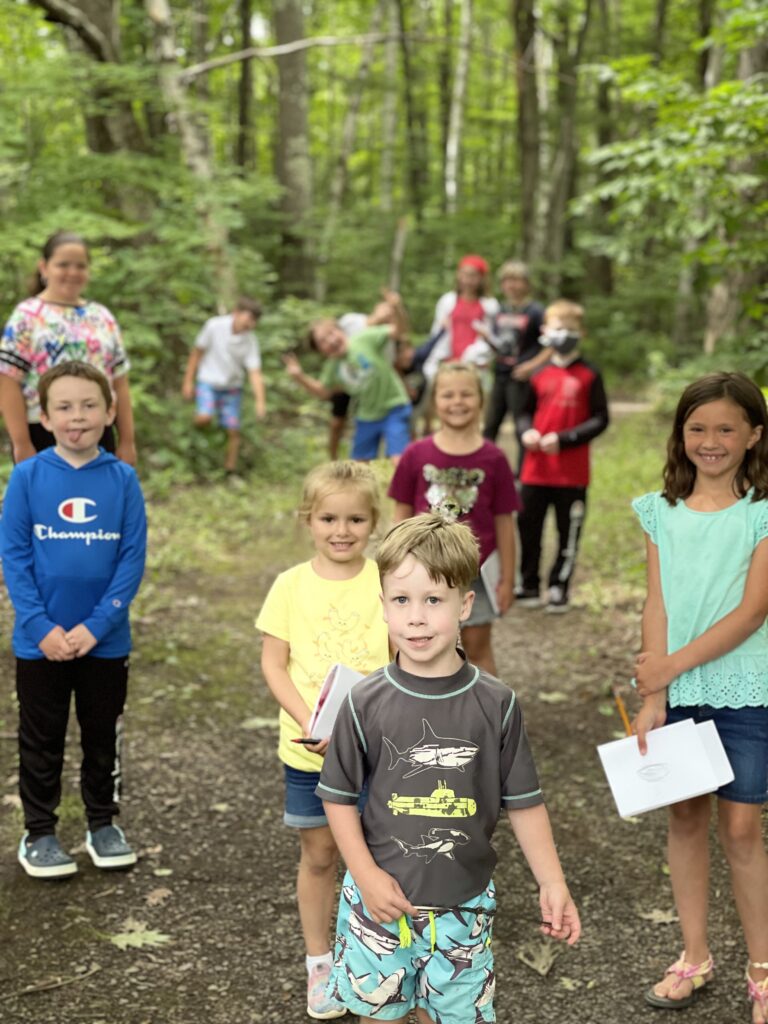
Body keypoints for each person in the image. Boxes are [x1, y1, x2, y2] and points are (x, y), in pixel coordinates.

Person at [317, 513, 581, 1024]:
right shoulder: (363, 701)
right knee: (378, 1014)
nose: (416, 617)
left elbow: (524, 803)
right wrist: (366, 875)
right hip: (380, 902)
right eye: (402, 600)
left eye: (433, 600)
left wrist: (552, 882)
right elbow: (336, 795)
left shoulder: (497, 702)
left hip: (465, 906)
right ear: (384, 606)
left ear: (465, 605)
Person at [632, 372, 768, 1022]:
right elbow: (656, 602)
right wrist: (655, 691)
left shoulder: (763, 512)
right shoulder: (661, 512)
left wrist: (665, 667)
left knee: (741, 826)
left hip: (747, 690)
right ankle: (694, 955)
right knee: (685, 817)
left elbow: (751, 613)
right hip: (677, 692)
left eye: (725, 429)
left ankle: (762, 968)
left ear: (754, 436)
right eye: (697, 428)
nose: (710, 441)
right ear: (680, 434)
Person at [0, 362, 147, 879]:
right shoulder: (28, 476)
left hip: (102, 642)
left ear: (109, 412)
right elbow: (14, 557)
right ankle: (39, 832)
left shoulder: (123, 479)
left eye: (89, 405)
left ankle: (102, 825)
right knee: (42, 739)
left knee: (101, 734)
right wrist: (41, 627)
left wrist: (96, 626)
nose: (77, 416)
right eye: (64, 406)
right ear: (45, 415)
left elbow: (131, 561)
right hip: (39, 642)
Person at [256, 461, 391, 1020]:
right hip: (308, 751)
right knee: (320, 855)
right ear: (307, 520)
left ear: (373, 522)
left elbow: (407, 654)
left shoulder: (388, 578)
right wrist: (313, 723)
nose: (342, 530)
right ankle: (321, 963)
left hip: (379, 751)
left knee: (384, 854)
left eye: (355, 518)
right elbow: (274, 664)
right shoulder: (290, 585)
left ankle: (379, 957)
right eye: (328, 518)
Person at [388, 363, 520, 675]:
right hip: (422, 570)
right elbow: (400, 515)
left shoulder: (494, 458)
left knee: (476, 648)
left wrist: (508, 580)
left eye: (466, 394)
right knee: (417, 648)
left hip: (476, 573)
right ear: (435, 402)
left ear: (481, 401)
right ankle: (416, 715)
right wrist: (393, 570)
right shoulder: (415, 455)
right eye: (448, 395)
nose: (457, 402)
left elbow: (504, 522)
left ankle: (489, 720)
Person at [0, 230, 136, 466]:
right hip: (43, 433)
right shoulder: (27, 316)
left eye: (80, 266)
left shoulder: (101, 317)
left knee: (100, 501)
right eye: (63, 264)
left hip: (98, 433)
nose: (72, 272)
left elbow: (120, 382)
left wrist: (127, 440)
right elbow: (8, 382)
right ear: (44, 267)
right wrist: (21, 443)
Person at [515, 299, 609, 613]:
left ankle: (559, 586)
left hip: (572, 474)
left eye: (570, 329)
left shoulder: (590, 374)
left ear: (581, 332)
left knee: (568, 532)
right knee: (529, 528)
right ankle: (528, 584)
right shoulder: (537, 373)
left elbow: (600, 418)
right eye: (557, 328)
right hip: (534, 471)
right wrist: (526, 432)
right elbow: (523, 413)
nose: (563, 334)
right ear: (544, 331)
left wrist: (566, 438)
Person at [283, 319, 411, 463]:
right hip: (367, 415)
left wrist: (396, 307)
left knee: (398, 460)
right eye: (323, 341)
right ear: (321, 351)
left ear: (341, 331)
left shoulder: (363, 339)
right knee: (358, 467)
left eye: (331, 333)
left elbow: (398, 331)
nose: (331, 341)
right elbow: (323, 392)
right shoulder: (332, 367)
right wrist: (299, 376)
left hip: (393, 407)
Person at [181, 297, 266, 475]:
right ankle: (191, 434)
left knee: (233, 430)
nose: (250, 324)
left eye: (254, 321)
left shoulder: (250, 340)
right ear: (236, 313)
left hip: (232, 387)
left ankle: (230, 470)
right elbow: (197, 353)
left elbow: (254, 372)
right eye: (248, 318)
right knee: (204, 417)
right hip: (208, 381)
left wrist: (260, 401)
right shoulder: (214, 326)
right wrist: (188, 381)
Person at [327, 291, 411, 460]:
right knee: (337, 422)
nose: (388, 313)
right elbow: (332, 335)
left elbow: (399, 333)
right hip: (346, 376)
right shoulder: (352, 321)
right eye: (386, 309)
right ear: (377, 307)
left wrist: (397, 307)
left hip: (371, 384)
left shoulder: (385, 338)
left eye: (391, 313)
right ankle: (333, 459)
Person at [482, 261, 548, 449]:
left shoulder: (536, 311)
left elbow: (551, 344)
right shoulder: (499, 310)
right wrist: (487, 341)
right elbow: (500, 344)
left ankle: (523, 474)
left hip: (522, 377)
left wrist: (532, 365)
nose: (511, 285)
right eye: (507, 280)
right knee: (490, 424)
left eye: (516, 280)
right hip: (500, 373)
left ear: (527, 284)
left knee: (522, 426)